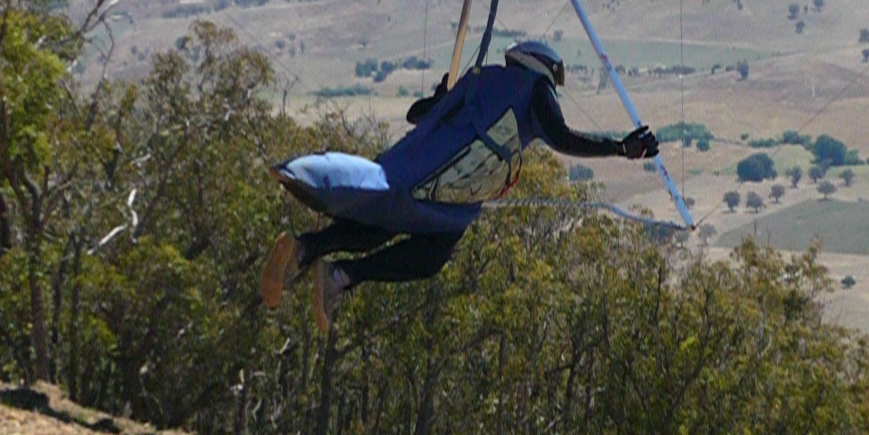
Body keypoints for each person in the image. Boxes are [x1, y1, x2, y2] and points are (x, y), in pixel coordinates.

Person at [260, 40, 658, 329]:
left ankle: (309, 252)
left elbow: (419, 113)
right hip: (440, 187)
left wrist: (444, 98)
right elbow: (561, 136)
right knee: (427, 253)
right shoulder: (532, 87)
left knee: (385, 222)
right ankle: (340, 274)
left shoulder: (481, 82)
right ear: (541, 67)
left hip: (424, 178)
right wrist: (620, 148)